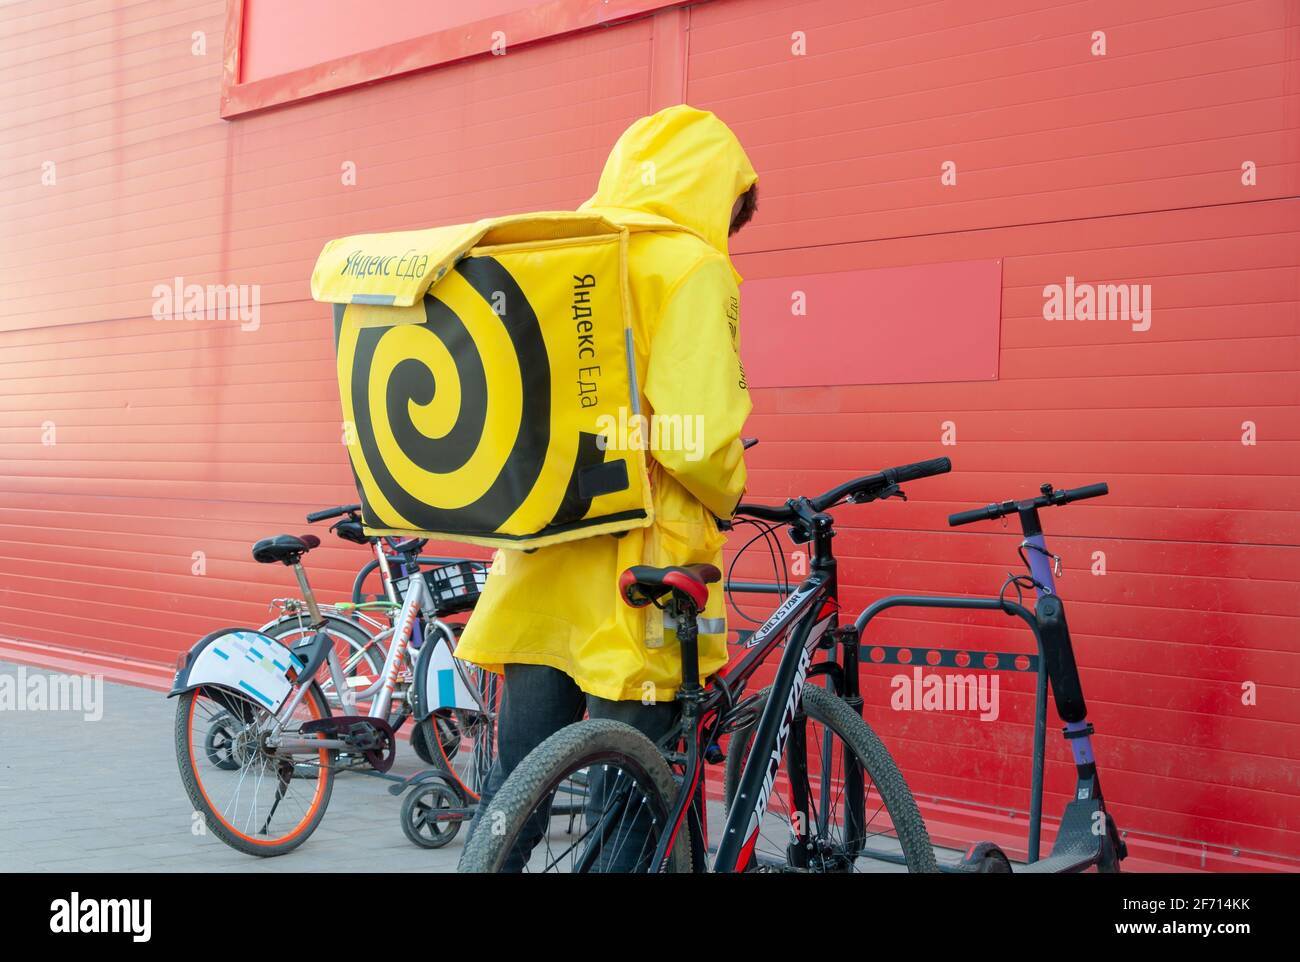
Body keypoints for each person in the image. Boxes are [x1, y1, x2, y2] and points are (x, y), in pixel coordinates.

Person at [455, 104, 758, 869]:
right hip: (643, 575)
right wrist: (728, 490)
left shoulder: (565, 252)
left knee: (517, 787)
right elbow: (697, 435)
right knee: (633, 796)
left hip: (542, 562)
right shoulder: (694, 266)